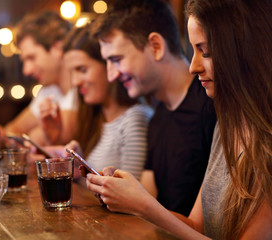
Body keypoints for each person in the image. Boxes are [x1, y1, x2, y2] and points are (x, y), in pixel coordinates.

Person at [86, 0, 272, 239]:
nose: (193, 66)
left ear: (243, 48)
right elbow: (195, 226)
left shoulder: (256, 135)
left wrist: (143, 205)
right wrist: (129, 199)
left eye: (206, 51)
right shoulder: (228, 124)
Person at [87, 0, 216, 216]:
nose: (111, 75)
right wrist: (115, 189)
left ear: (156, 46)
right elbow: (149, 200)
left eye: (117, 60)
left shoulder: (213, 106)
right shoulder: (158, 117)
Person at [34, 24, 153, 179]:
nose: (75, 82)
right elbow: (94, 192)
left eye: (82, 70)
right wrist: (76, 167)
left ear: (108, 65)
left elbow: (131, 197)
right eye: (72, 72)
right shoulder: (96, 117)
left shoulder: (134, 118)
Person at [0, 11, 77, 146]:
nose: (26, 70)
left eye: (31, 58)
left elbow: (46, 139)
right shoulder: (49, 90)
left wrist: (22, 139)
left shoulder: (81, 88)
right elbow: (13, 130)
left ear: (57, 49)